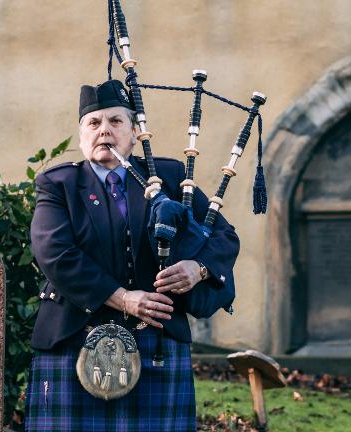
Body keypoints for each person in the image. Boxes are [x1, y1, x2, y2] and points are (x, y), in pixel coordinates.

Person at [25, 79, 240, 431]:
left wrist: (197, 268)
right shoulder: (59, 184)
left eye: (115, 121)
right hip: (74, 337)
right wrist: (124, 298)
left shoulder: (169, 177)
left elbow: (224, 236)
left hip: (155, 338)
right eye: (93, 123)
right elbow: (55, 253)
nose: (104, 131)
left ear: (135, 131)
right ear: (82, 135)